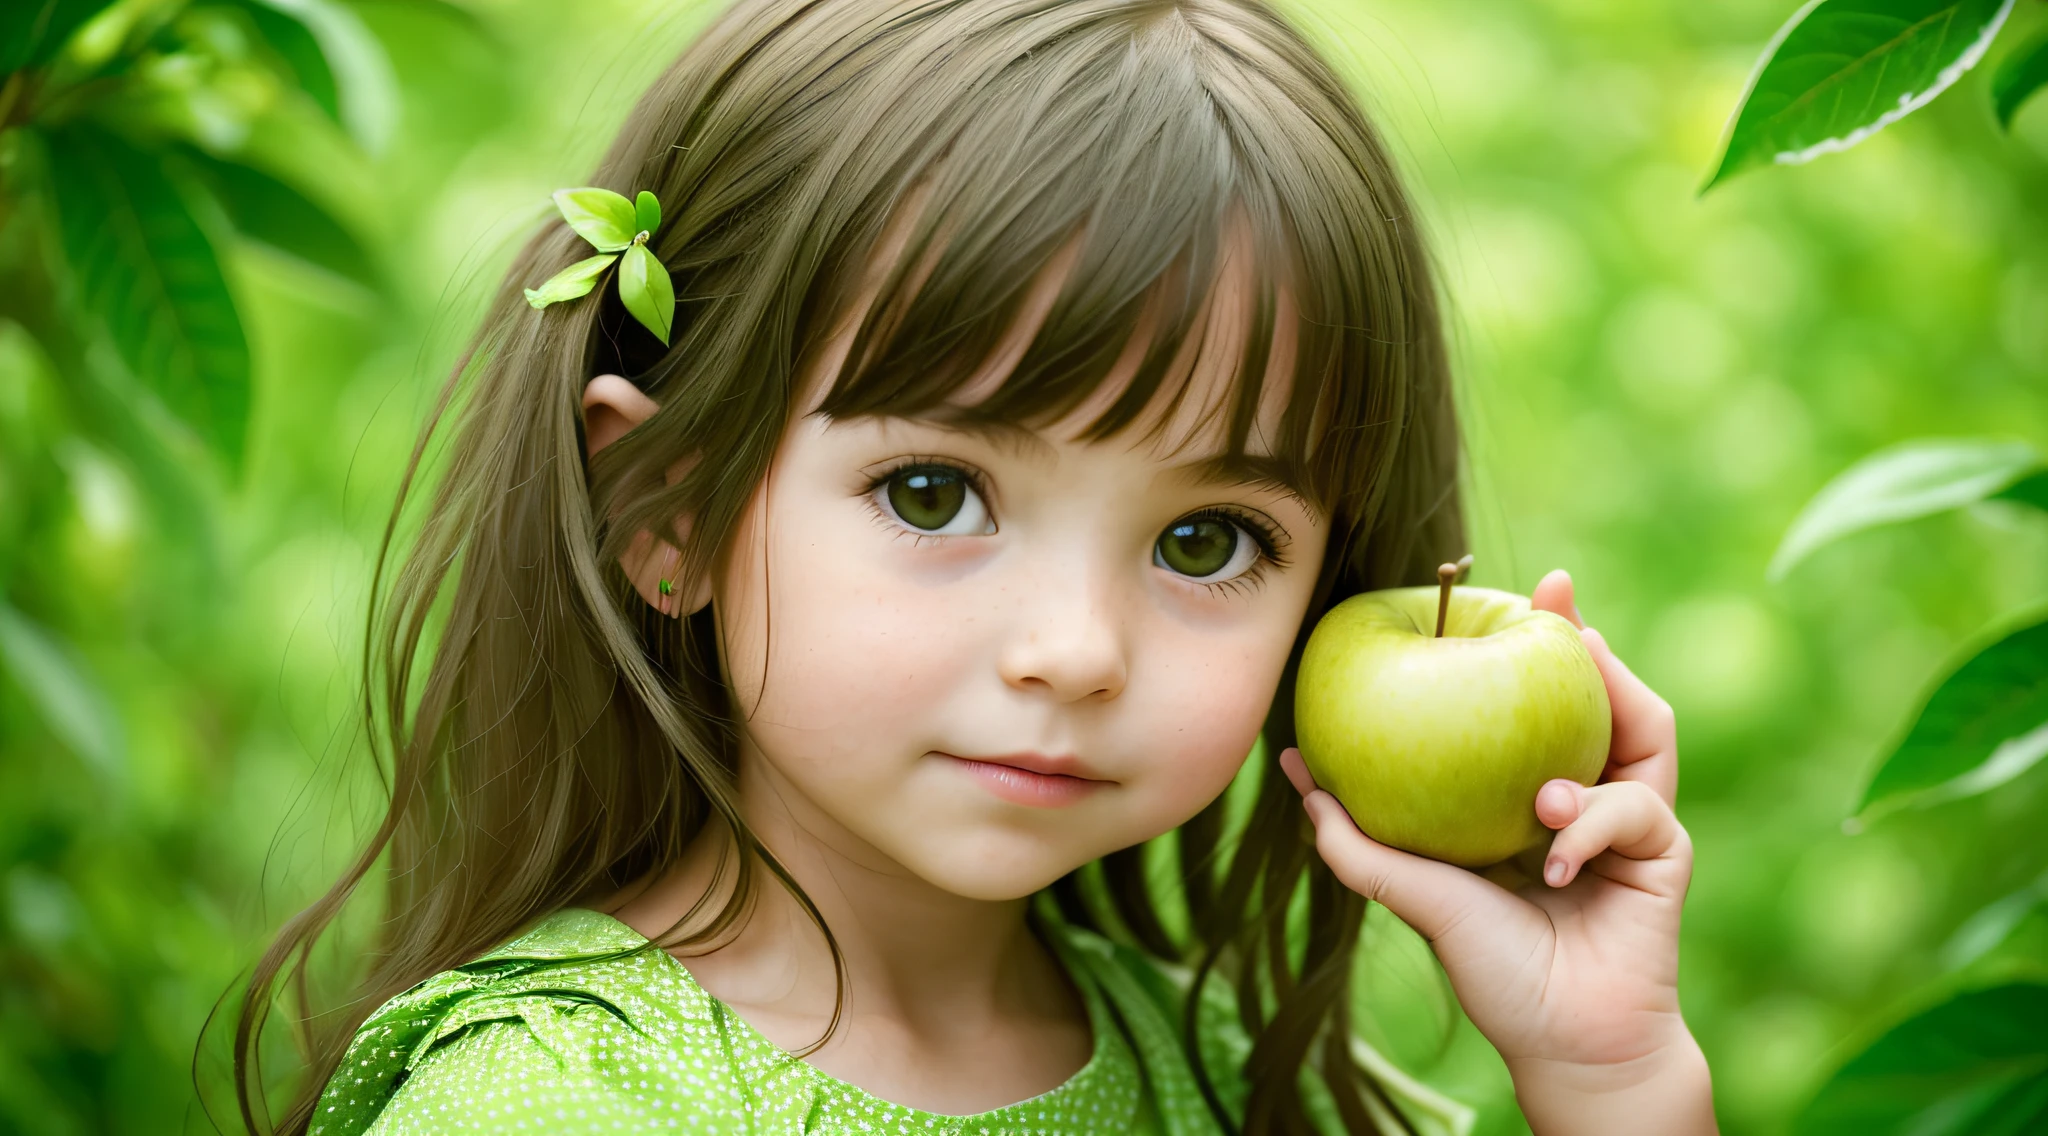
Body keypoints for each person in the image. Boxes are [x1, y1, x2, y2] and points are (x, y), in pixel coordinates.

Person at [235, 1, 1716, 1132]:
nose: (1075, 650)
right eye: (934, 493)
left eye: (1208, 542)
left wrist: (1611, 1079)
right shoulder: (556, 1101)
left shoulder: (1221, 1081)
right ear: (669, 508)